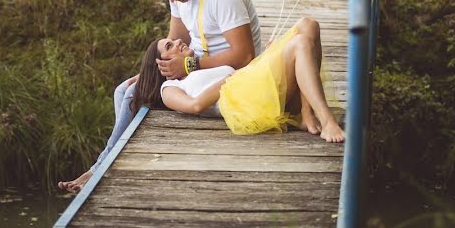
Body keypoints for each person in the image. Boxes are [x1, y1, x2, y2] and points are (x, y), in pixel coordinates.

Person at [57, 0, 262, 192]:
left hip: (225, 75)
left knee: (134, 95)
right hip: (196, 68)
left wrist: (188, 65)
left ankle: (99, 169)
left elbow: (245, 56)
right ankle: (103, 164)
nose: (173, 0)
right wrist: (153, 71)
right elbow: (176, 36)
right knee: (124, 89)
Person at [133, 17, 344, 142]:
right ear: (160, 64)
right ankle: (327, 121)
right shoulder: (171, 87)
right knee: (299, 43)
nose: (178, 41)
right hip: (248, 102)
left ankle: (306, 115)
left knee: (308, 25)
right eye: (169, 46)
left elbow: (245, 69)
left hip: (252, 82)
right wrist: (229, 78)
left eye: (173, 40)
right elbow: (195, 105)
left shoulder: (200, 65)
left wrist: (267, 57)